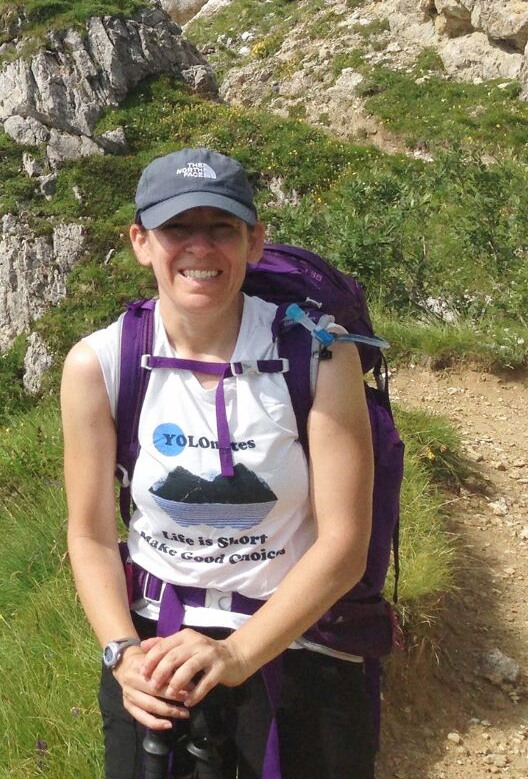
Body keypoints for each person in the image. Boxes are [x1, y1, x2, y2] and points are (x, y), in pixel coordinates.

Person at [61, 147, 376, 778]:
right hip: (154, 656)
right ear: (141, 242)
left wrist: (238, 657)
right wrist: (122, 654)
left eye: (222, 229)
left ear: (254, 242)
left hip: (296, 641)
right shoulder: (100, 364)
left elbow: (345, 544)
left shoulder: (318, 354)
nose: (199, 248)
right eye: (178, 228)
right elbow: (92, 534)